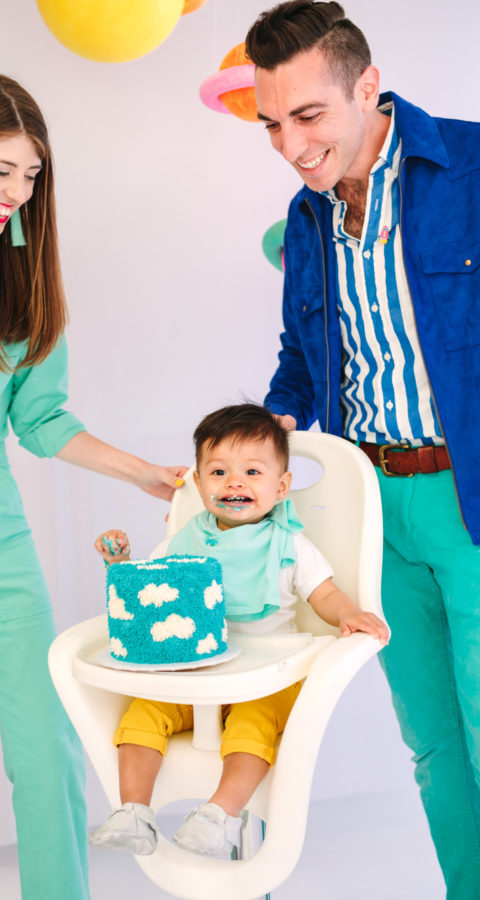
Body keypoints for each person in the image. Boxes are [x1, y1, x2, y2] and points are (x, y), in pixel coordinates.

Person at [0, 69, 187, 900]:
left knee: (47, 738)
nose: (16, 192)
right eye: (0, 170)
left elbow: (41, 419)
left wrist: (145, 473)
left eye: (31, 174)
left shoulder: (26, 274)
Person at [245, 2, 480, 896]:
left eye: (309, 116)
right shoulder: (307, 222)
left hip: (469, 496)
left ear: (368, 87)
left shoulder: (470, 167)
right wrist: (261, 433)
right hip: (372, 514)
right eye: (272, 124)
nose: (291, 145)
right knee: (431, 748)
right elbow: (300, 366)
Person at [88, 403, 388, 859]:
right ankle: (133, 811)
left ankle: (219, 816)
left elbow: (323, 594)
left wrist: (349, 612)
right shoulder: (185, 536)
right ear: (198, 481)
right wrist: (121, 566)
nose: (235, 483)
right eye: (219, 471)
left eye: (252, 471)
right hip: (194, 671)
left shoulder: (288, 543)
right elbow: (154, 591)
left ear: (281, 486)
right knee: (142, 714)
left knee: (252, 725)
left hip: (267, 675)